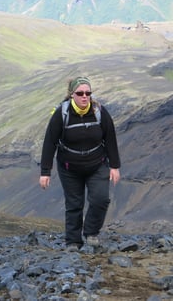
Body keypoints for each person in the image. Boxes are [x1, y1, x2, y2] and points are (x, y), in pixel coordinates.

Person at [39, 76, 121, 249]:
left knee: (101, 199)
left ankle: (91, 233)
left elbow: (110, 138)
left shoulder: (100, 112)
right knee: (74, 204)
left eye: (88, 93)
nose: (85, 96)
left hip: (97, 164)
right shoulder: (62, 114)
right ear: (72, 95)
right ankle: (73, 241)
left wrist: (114, 166)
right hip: (69, 168)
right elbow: (49, 142)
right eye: (80, 93)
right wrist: (45, 172)